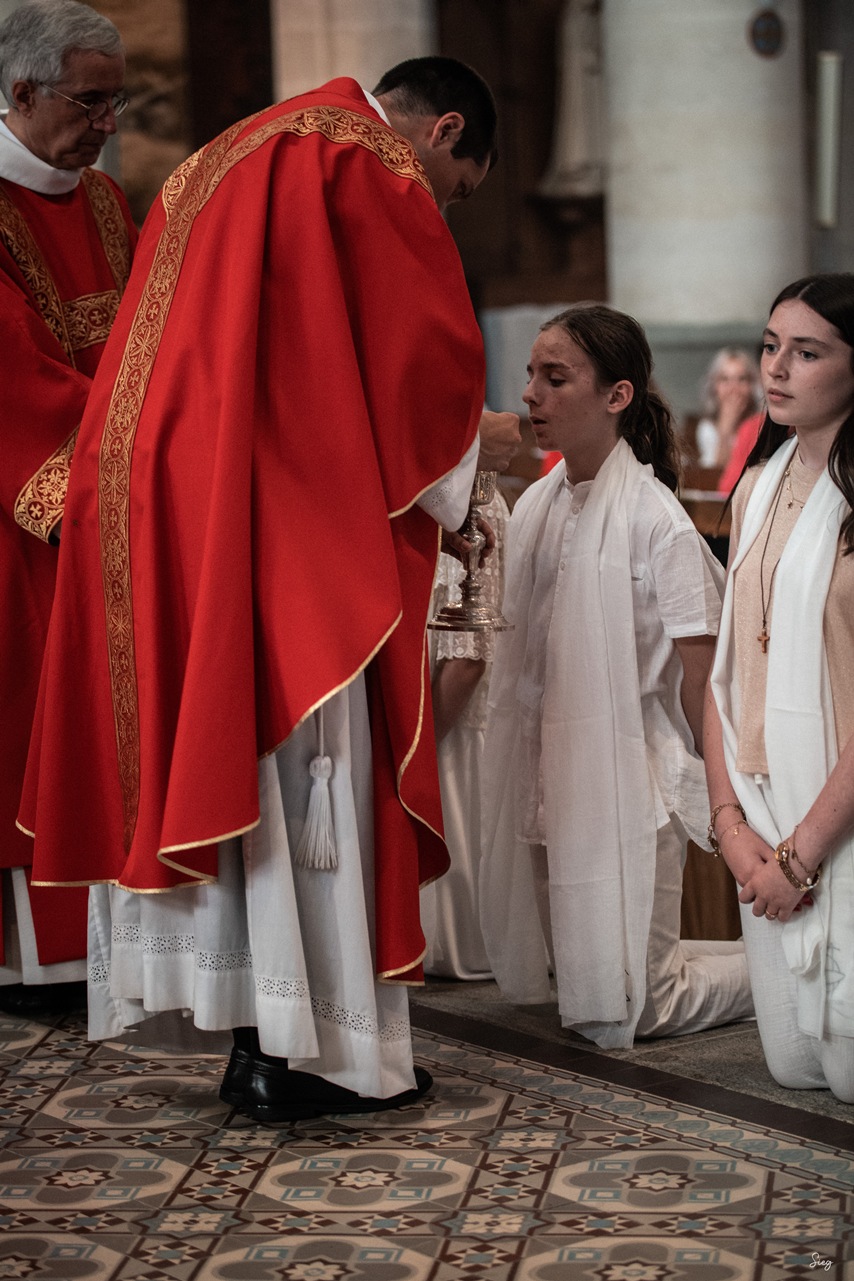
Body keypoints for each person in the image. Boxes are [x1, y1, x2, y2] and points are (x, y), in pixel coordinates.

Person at [19, 56, 503, 1122]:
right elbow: (422, 361)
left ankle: (252, 1042)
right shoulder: (363, 156)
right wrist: (468, 468)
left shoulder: (221, 153)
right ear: (439, 131)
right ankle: (315, 1057)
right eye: (455, 189)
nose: (439, 208)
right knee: (311, 780)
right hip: (286, 517)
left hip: (177, 503)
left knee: (230, 773)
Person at [479, 304, 753, 1050]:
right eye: (530, 375)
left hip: (630, 783)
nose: (530, 394)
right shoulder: (537, 506)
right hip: (551, 777)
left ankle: (780, 969)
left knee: (638, 1008)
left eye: (555, 377)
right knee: (585, 993)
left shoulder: (656, 521)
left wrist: (727, 801)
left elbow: (703, 679)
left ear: (617, 395)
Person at [0, 0, 136, 1014]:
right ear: (20, 92)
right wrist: (136, 442)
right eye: (90, 103)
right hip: (25, 510)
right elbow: (13, 378)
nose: (108, 124)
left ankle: (114, 942)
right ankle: (33, 960)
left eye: (117, 102)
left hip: (117, 493)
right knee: (28, 714)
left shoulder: (107, 202)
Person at [705, 273, 854, 1103]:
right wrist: (730, 825)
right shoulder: (757, 487)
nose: (776, 367)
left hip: (835, 816)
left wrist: (802, 856)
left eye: (807, 351)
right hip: (760, 812)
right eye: (771, 346)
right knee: (793, 1068)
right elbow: (724, 672)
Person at [422, 414, 517, 979]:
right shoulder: (433, 502)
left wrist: (417, 751)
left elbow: (468, 656)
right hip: (435, 714)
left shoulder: (469, 507)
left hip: (447, 726)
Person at [692, 347, 762, 471]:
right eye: (725, 379)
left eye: (742, 379)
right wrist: (726, 429)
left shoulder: (762, 425)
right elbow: (714, 475)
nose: (733, 388)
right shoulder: (707, 427)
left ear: (752, 385)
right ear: (714, 387)